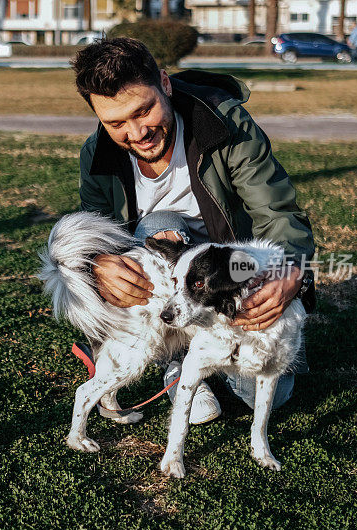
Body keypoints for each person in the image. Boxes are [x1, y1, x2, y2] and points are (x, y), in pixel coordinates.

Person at [71, 38, 315, 424]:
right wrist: (98, 263)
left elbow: (278, 210)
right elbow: (95, 231)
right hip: (164, 278)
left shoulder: (225, 123)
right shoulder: (96, 154)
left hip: (228, 274)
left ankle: (199, 351)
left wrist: (291, 273)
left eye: (144, 110)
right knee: (159, 226)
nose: (137, 133)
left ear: (165, 85)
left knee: (267, 394)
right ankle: (176, 362)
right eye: (116, 122)